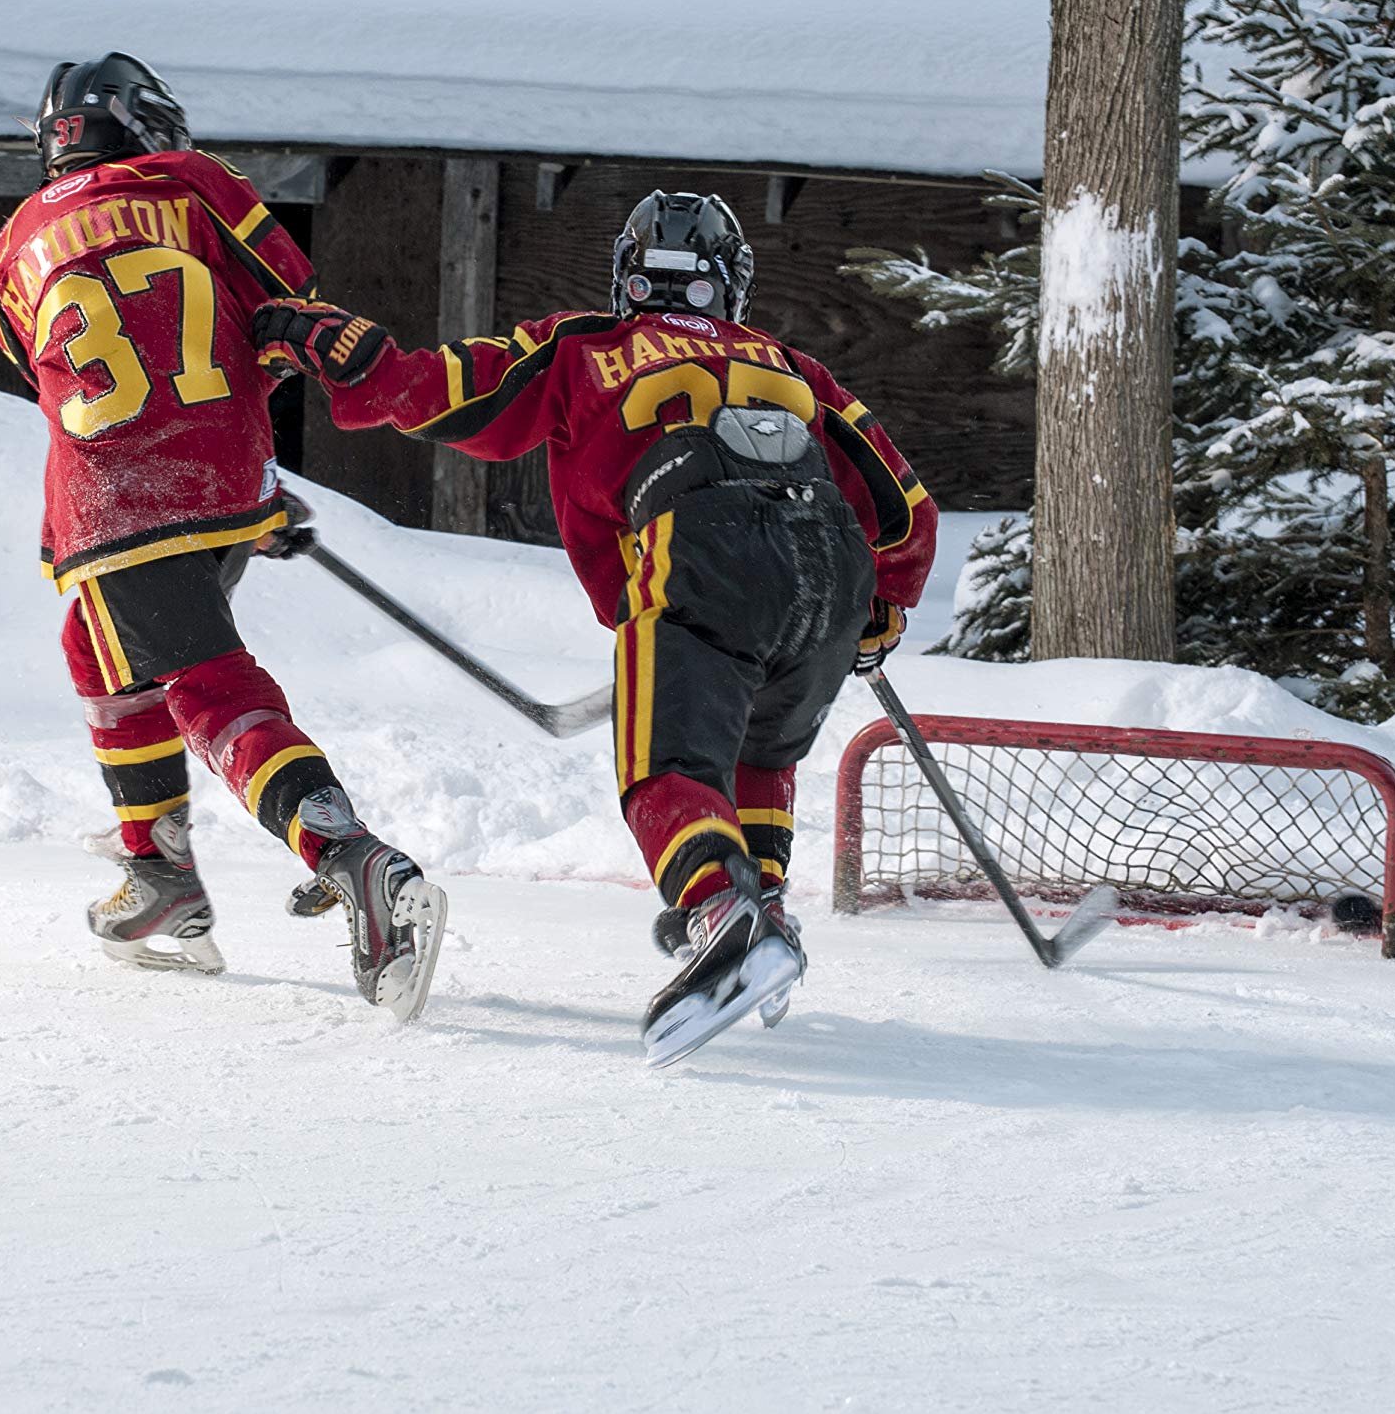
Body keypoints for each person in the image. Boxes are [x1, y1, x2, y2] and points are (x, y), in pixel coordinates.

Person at [253, 191, 935, 1063]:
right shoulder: (791, 364)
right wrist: (883, 602)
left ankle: (722, 915)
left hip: (693, 545)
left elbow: (436, 392)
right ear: (730, 288)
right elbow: (906, 503)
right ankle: (762, 906)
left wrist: (339, 353)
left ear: (628, 279)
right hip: (830, 561)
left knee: (667, 769)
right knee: (758, 749)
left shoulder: (582, 344)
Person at [0, 52, 446, 1020]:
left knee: (198, 678)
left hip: (110, 491)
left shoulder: (8, 248)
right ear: (146, 125)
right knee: (98, 646)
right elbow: (273, 307)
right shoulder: (199, 186)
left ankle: (355, 861)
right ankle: (160, 875)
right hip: (216, 468)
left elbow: (59, 370)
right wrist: (252, 479)